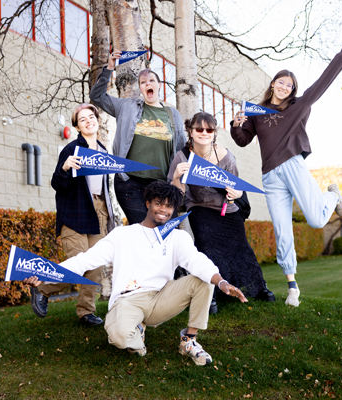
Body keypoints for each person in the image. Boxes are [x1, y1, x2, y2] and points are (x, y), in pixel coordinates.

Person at [25, 181, 246, 366]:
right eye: (158, 203)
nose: (164, 210)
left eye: (169, 206)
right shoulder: (123, 234)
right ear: (148, 203)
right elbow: (84, 261)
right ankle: (136, 330)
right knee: (121, 338)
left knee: (203, 280)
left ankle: (189, 340)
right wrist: (44, 276)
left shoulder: (178, 237)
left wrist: (221, 281)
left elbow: (197, 261)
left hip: (161, 297)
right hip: (128, 300)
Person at [230, 45, 342, 307]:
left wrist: (341, 56)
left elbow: (320, 85)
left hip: (293, 166)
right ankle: (292, 287)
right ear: (273, 84)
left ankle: (332, 195)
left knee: (317, 219)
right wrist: (236, 124)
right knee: (282, 231)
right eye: (281, 82)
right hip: (270, 177)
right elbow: (242, 140)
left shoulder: (297, 106)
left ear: (292, 90)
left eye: (290, 85)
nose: (285, 87)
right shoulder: (257, 111)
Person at [168, 112, 274, 314]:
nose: (204, 133)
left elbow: (237, 188)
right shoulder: (182, 157)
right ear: (191, 131)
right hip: (199, 207)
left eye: (209, 129)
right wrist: (175, 178)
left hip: (227, 209)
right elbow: (176, 198)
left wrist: (236, 193)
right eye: (199, 129)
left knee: (242, 249)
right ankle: (210, 295)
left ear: (214, 132)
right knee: (207, 248)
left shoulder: (226, 156)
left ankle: (259, 287)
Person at [34, 103, 115, 326]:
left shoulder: (103, 151)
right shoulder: (71, 150)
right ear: (77, 126)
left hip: (99, 213)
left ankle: (86, 312)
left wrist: (109, 216)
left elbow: (104, 189)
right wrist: (65, 168)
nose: (89, 121)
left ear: (97, 120)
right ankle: (43, 289)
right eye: (83, 119)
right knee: (78, 265)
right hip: (75, 214)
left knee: (96, 266)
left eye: (92, 117)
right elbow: (56, 184)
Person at [89, 50, 186, 225]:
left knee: (163, 232)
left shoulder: (172, 114)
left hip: (161, 185)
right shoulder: (126, 106)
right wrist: (110, 68)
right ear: (140, 88)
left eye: (151, 81)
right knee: (144, 228)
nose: (147, 84)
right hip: (129, 182)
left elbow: (181, 151)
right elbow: (97, 96)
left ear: (159, 85)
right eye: (143, 82)